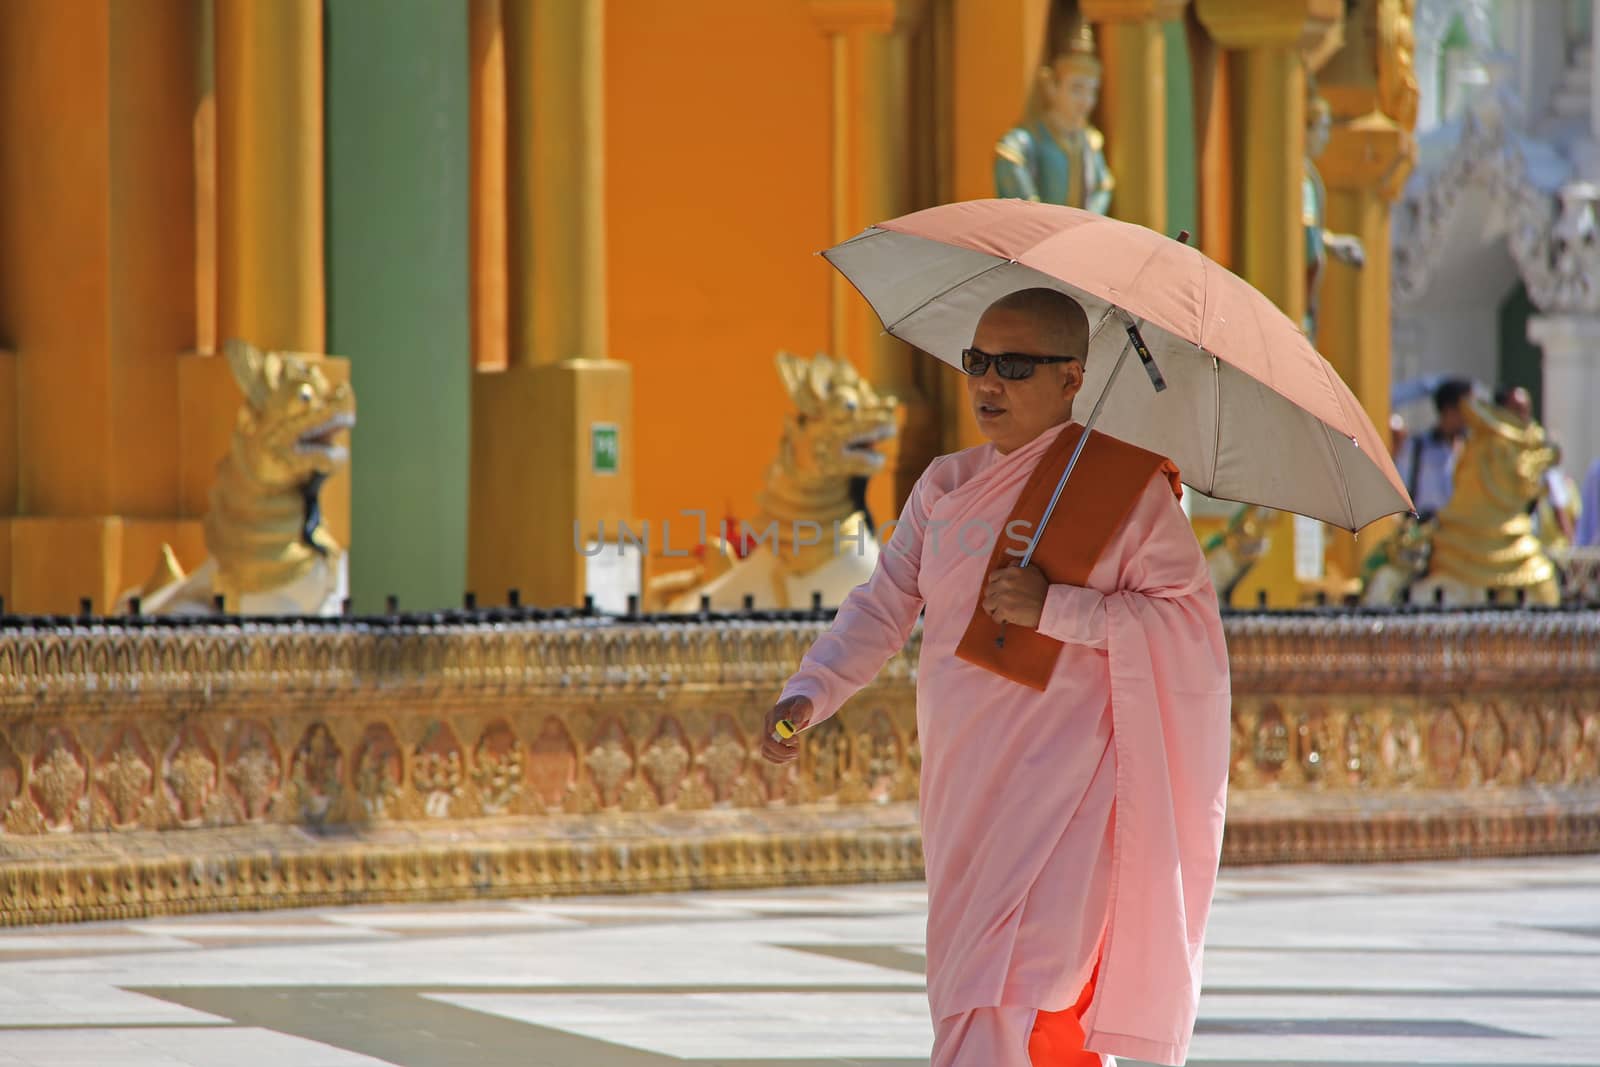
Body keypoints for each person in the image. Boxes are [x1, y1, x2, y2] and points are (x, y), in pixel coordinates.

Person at [762, 288, 1232, 1066]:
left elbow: (1186, 627)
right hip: (966, 788)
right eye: (977, 362)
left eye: (1013, 366)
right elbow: (883, 605)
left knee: (1023, 991)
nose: (987, 383)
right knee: (977, 988)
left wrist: (1060, 609)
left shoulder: (1129, 493)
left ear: (1072, 378)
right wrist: (814, 689)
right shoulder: (946, 486)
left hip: (1069, 796)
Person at [993, 18, 1114, 215]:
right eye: (1076, 89)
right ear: (1051, 86)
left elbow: (1103, 187)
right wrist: (1036, 211)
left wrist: (1090, 219)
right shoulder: (1029, 139)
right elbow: (1009, 157)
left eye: (1092, 91)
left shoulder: (1089, 141)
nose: (1086, 101)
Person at [1394, 377, 1471, 520]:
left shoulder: (1471, 450)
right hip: (1424, 537)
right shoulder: (1416, 447)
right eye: (1468, 409)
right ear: (1449, 409)